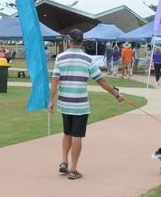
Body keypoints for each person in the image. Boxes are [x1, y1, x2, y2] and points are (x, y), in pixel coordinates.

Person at [49, 29, 124, 180]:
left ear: (69, 40)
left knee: (67, 133)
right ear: (81, 41)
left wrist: (51, 100)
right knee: (77, 136)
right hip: (80, 104)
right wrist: (115, 93)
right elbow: (101, 80)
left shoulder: (60, 58)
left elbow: (55, 80)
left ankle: (64, 162)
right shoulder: (88, 59)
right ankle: (73, 170)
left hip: (65, 102)